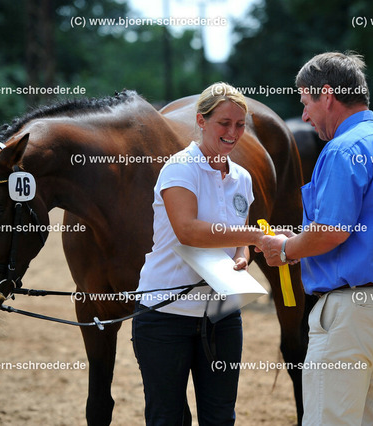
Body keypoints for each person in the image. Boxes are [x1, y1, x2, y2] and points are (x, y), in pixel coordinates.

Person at [259, 52, 373, 425]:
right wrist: (300, 239)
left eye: (306, 102)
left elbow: (332, 231)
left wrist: (286, 248)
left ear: (326, 94)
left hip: (350, 316)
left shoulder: (343, 149)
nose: (306, 115)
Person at [132, 82, 267, 425]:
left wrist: (243, 254)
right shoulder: (180, 168)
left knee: (221, 417)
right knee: (168, 419)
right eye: (224, 123)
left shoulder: (243, 179)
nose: (233, 132)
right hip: (165, 313)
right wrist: (255, 236)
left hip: (222, 315)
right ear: (201, 121)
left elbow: (239, 235)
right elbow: (188, 231)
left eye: (240, 125)